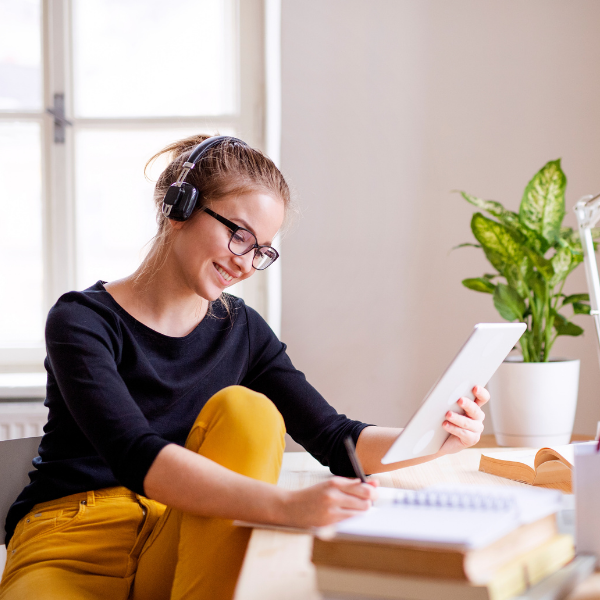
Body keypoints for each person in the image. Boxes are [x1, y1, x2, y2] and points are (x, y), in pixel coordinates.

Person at [0, 135, 489, 600]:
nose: (247, 263)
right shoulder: (82, 319)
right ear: (180, 208)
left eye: (262, 250)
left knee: (247, 411)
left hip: (181, 531)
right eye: (239, 235)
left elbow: (337, 438)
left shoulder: (244, 331)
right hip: (72, 538)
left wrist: (435, 436)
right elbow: (133, 453)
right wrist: (284, 507)